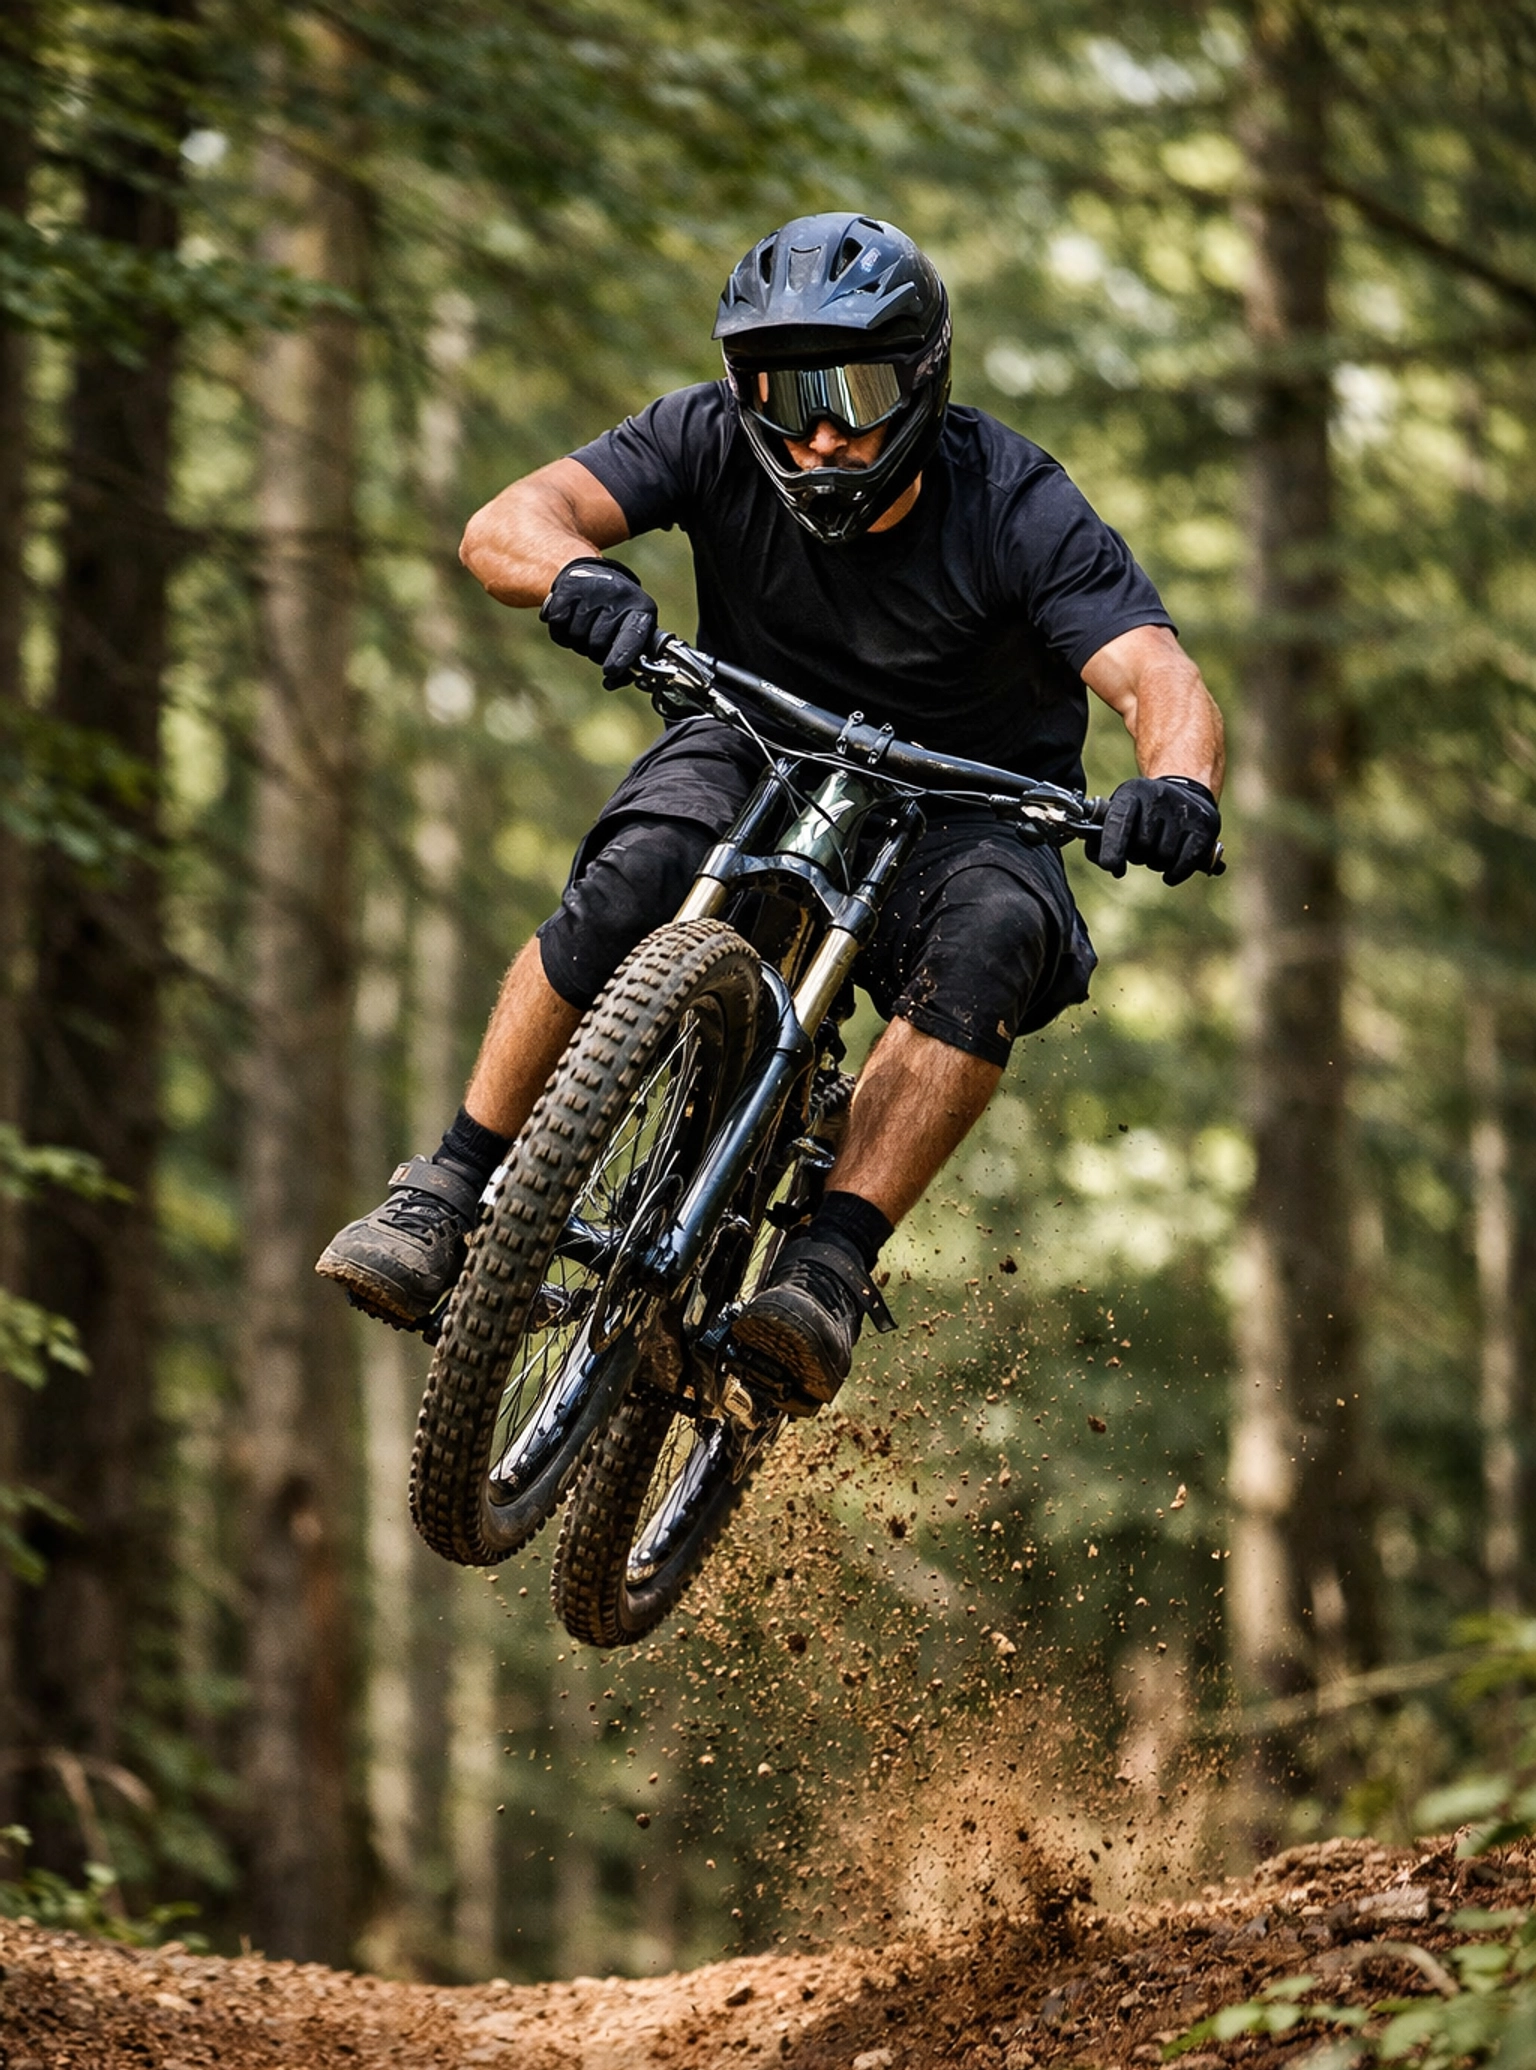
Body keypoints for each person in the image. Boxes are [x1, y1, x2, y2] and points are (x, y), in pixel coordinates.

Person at [318, 212, 1223, 1413]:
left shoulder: (1015, 499)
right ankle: (448, 1187)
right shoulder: (701, 432)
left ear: (924, 381)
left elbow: (1155, 674)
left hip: (968, 803)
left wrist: (1178, 785)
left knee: (995, 936)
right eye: (787, 395)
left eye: (858, 392)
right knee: (637, 871)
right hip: (751, 740)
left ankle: (829, 1265)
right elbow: (507, 525)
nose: (824, 432)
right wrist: (578, 575)